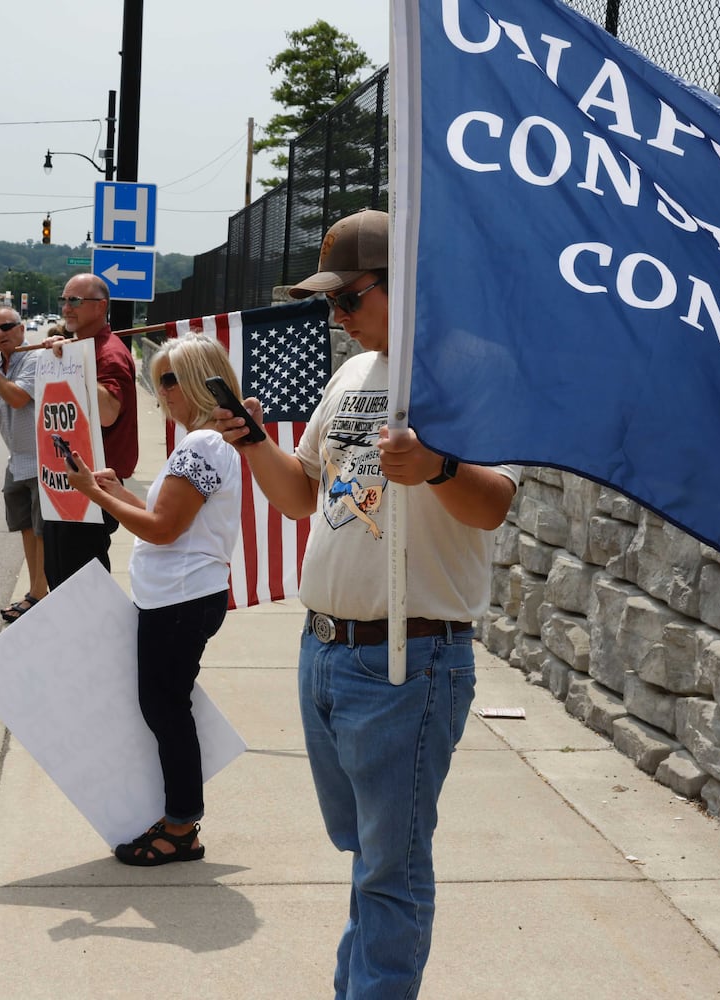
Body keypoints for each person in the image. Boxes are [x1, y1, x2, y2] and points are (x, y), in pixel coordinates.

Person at [215, 209, 519, 998]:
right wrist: (252, 439)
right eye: (329, 304)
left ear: (405, 284)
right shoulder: (352, 376)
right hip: (328, 651)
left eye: (348, 299)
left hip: (408, 659)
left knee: (391, 869)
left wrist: (438, 468)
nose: (337, 318)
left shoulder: (469, 370)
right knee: (369, 856)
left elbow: (491, 507)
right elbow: (297, 496)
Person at [64, 334, 242, 866]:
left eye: (170, 379)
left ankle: (181, 826)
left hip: (181, 599)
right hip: (182, 595)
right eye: (157, 379)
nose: (161, 390)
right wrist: (118, 493)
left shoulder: (202, 445)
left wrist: (95, 496)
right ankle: (180, 819)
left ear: (198, 381)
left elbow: (164, 530)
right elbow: (172, 522)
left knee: (165, 710)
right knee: (165, 707)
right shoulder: (205, 443)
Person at [39, 273, 138, 587]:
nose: (67, 308)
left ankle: (91, 637)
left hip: (94, 489)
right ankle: (71, 636)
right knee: (59, 576)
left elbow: (108, 414)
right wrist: (69, 354)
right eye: (64, 300)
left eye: (76, 301)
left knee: (81, 581)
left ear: (101, 307)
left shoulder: (109, 354)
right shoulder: (82, 347)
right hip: (69, 485)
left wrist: (76, 362)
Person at [0, 305, 49, 623]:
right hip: (16, 459)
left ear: (22, 328)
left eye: (7, 327)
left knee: (42, 529)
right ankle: (35, 591)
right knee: (25, 527)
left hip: (41, 458)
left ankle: (40, 593)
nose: (0, 334)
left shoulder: (34, 359)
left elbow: (18, 398)